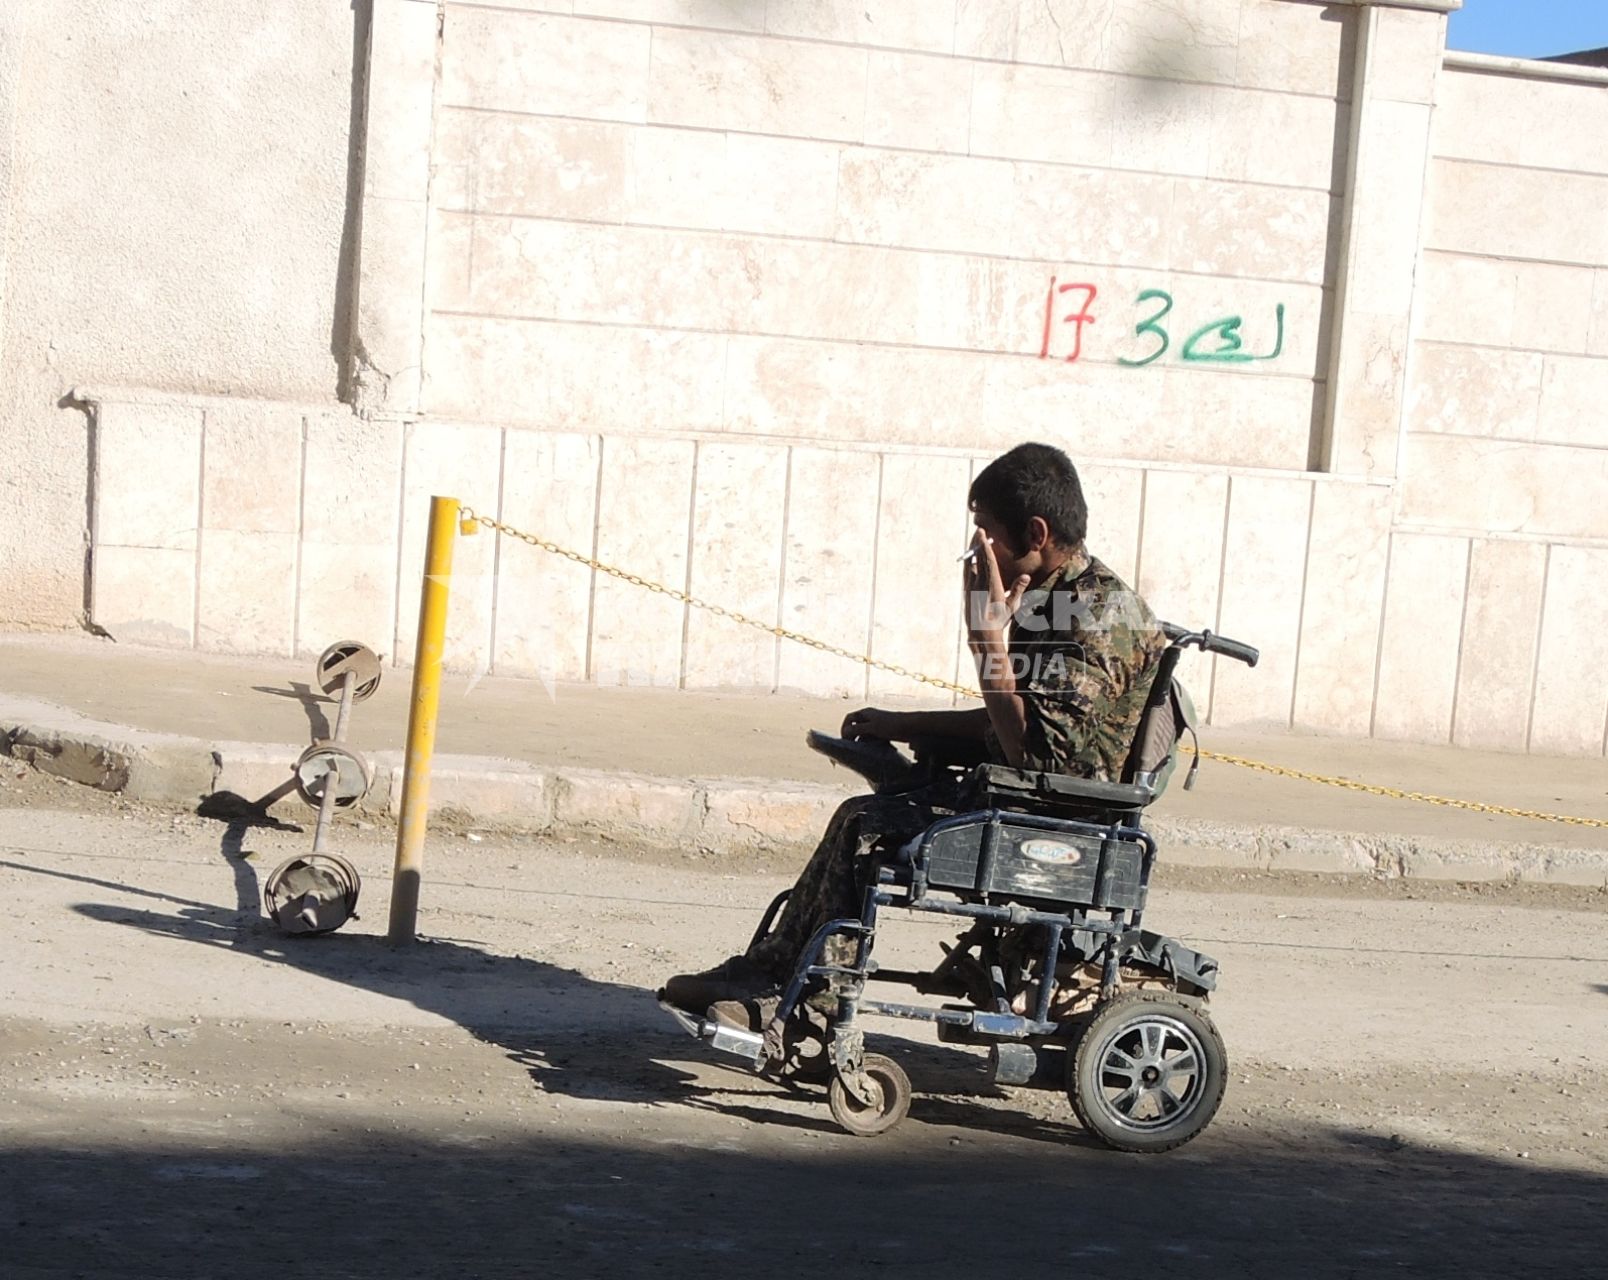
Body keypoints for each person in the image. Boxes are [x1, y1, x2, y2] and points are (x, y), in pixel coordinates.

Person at [660, 442, 1168, 1024]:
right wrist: (902, 726)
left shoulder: (1099, 617)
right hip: (1021, 797)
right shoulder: (1053, 595)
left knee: (866, 827)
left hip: (1057, 820)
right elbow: (1008, 723)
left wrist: (987, 642)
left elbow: (1038, 754)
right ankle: (771, 972)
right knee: (865, 813)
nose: (976, 552)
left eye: (985, 535)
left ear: (1035, 533)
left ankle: (790, 992)